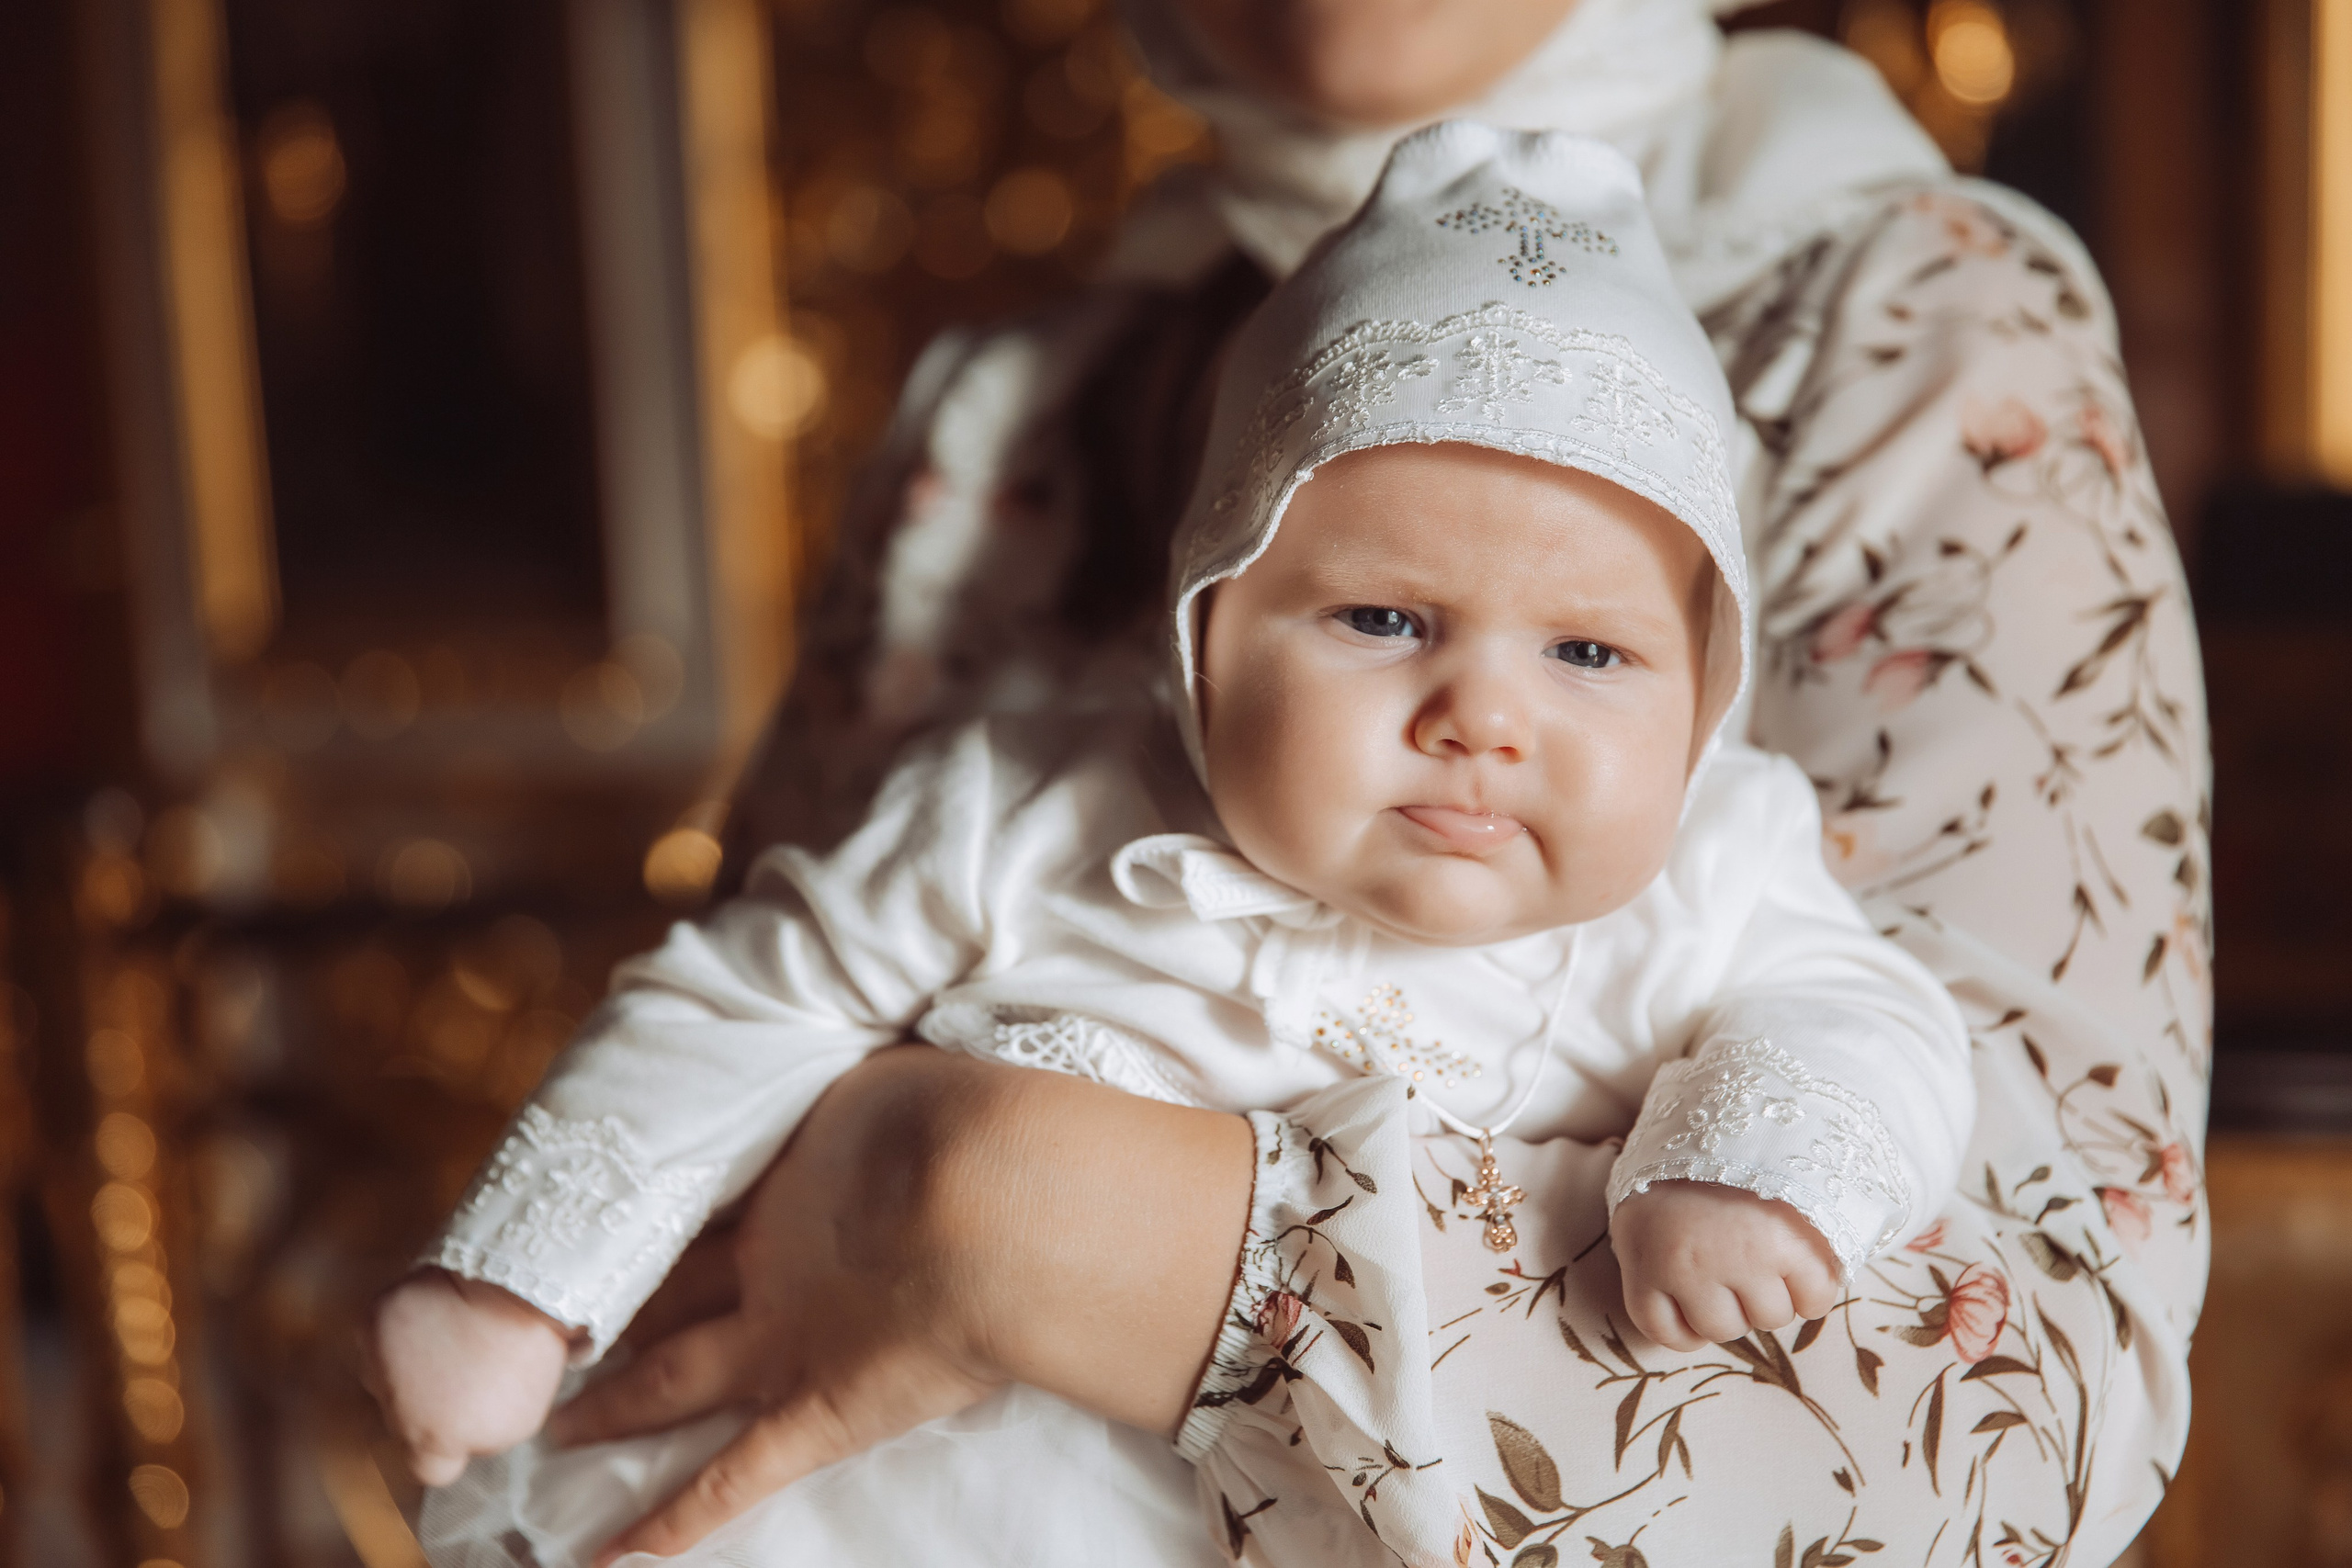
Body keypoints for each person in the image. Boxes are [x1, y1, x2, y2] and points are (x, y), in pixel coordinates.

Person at [385, 0, 2211, 1562]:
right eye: (1378, 618)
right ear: (1196, 640)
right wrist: (526, 1281)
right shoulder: (1025, 436)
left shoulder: (1906, 344)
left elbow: (1997, 1389)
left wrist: (982, 1194)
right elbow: (742, 1049)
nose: (1479, 717)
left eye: (1588, 653)